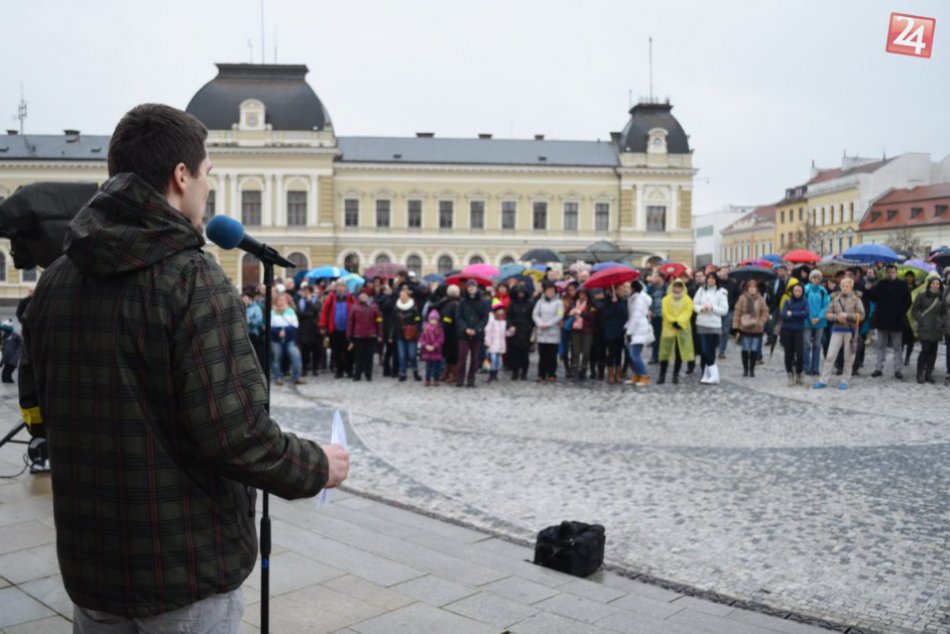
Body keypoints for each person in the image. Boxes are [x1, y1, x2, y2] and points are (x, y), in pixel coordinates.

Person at [17, 103, 348, 631]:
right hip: (184, 572)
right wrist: (318, 467)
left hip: (90, 568)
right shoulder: (192, 279)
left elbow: (40, 409)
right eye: (207, 173)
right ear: (180, 177)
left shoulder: (56, 279)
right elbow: (236, 436)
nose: (208, 189)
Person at [814, 277, 865, 389]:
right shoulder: (835, 299)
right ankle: (823, 380)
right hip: (837, 329)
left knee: (848, 357)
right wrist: (837, 317)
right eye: (843, 286)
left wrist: (848, 316)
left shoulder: (856, 300)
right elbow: (827, 314)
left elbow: (861, 315)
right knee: (830, 355)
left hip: (850, 331)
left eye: (847, 286)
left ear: (851, 287)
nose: (845, 288)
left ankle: (845, 380)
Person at [866, 264, 912, 380]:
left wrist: (900, 313)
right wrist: (869, 290)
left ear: (896, 273)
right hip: (882, 319)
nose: (890, 274)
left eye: (892, 272)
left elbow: (908, 302)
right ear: (886, 273)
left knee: (897, 346)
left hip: (897, 320)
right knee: (881, 345)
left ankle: (898, 369)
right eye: (889, 272)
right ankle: (878, 368)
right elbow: (874, 298)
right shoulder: (881, 284)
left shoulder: (902, 285)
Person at [692, 271, 728, 385]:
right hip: (702, 323)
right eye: (709, 278)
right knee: (703, 350)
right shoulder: (701, 290)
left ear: (716, 280)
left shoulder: (721, 292)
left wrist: (713, 308)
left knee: (710, 350)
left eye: (713, 278)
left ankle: (713, 374)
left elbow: (724, 310)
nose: (710, 280)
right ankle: (707, 374)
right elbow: (694, 304)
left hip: (714, 324)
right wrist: (701, 308)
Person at [658, 279, 694, 385]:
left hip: (682, 329)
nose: (677, 288)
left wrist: (679, 322)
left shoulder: (687, 299)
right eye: (675, 286)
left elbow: (688, 312)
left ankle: (675, 375)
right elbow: (665, 312)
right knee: (665, 352)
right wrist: (673, 321)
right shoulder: (666, 299)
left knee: (679, 353)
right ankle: (662, 375)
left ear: (683, 288)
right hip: (668, 328)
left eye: (679, 286)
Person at [731, 279, 769, 378]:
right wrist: (736, 326)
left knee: (754, 349)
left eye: (754, 287)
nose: (752, 289)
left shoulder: (760, 299)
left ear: (757, 289)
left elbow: (765, 312)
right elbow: (737, 312)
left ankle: (752, 369)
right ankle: (745, 369)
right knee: (745, 349)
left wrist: (761, 322)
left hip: (756, 328)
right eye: (750, 287)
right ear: (747, 288)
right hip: (744, 328)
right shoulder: (742, 298)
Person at [911, 274, 944, 384]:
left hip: (936, 328)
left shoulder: (941, 297)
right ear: (929, 284)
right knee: (925, 350)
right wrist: (921, 320)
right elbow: (914, 311)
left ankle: (928, 373)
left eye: (937, 284)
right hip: (925, 327)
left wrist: (941, 322)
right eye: (933, 283)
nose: (935, 285)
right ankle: (919, 373)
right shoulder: (921, 296)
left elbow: (944, 313)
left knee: (933, 352)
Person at [456, 280, 489, 387]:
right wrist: (465, 328)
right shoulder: (462, 302)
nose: (471, 288)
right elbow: (459, 317)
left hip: (477, 334)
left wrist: (476, 329)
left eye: (473, 286)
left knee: (475, 358)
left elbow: (485, 318)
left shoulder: (483, 302)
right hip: (464, 334)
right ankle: (460, 379)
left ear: (476, 288)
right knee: (462, 357)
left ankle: (471, 379)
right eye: (469, 286)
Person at [320, 281, 355, 378]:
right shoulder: (331, 298)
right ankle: (339, 371)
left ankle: (349, 370)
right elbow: (324, 313)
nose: (340, 289)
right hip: (335, 329)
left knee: (349, 351)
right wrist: (322, 326)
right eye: (338, 287)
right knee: (337, 351)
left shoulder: (351, 298)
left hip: (348, 330)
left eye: (342, 286)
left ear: (346, 288)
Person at [346, 289, 383, 381]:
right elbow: (350, 321)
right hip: (358, 335)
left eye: (365, 295)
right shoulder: (354, 307)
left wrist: (380, 334)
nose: (363, 297)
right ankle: (357, 375)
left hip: (371, 335)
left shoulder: (374, 306)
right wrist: (349, 334)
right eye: (362, 295)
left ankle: (368, 374)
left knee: (369, 356)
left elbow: (379, 320)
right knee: (358, 356)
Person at [624, 280, 654, 386]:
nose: (625, 289)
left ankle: (644, 376)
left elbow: (636, 317)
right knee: (632, 355)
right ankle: (637, 375)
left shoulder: (638, 300)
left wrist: (629, 331)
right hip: (634, 328)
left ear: (633, 288)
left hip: (638, 329)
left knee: (634, 354)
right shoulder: (633, 298)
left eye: (627, 287)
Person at [271, 293, 305, 386]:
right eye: (279, 300)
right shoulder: (272, 312)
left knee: (295, 357)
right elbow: (269, 326)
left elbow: (295, 325)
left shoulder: (290, 311)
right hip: (276, 338)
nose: (281, 302)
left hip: (289, 337)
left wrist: (285, 331)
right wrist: (278, 332)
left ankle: (297, 376)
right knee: (277, 358)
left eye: (283, 300)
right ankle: (278, 377)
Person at [533, 280, 564, 382]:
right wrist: (540, 323)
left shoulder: (559, 302)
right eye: (548, 290)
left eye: (552, 290)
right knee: (542, 355)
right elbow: (535, 314)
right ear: (544, 291)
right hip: (542, 331)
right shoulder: (540, 302)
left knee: (552, 355)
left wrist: (549, 324)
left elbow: (559, 315)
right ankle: (541, 373)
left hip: (553, 331)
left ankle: (552, 373)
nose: (550, 292)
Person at [780, 279, 808, 386]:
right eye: (795, 291)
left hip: (799, 331)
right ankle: (790, 374)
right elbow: (784, 315)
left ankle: (799, 373)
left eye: (799, 291)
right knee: (788, 354)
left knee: (800, 354)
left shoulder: (805, 302)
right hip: (787, 330)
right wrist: (798, 314)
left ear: (802, 292)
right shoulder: (787, 301)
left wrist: (792, 313)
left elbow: (806, 313)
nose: (797, 293)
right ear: (792, 291)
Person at [802, 270, 829, 376]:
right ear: (810, 278)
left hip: (820, 321)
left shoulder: (823, 291)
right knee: (806, 345)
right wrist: (810, 317)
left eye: (818, 278)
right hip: (807, 320)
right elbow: (803, 304)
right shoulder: (806, 289)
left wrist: (819, 317)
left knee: (817, 345)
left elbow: (826, 306)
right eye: (814, 277)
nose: (816, 280)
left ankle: (815, 367)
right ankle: (806, 367)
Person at [393, 286, 422, 382]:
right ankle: (402, 373)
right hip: (399, 334)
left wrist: (416, 328)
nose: (402, 297)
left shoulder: (413, 306)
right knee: (402, 356)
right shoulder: (396, 306)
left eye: (404, 295)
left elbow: (418, 319)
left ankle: (415, 371)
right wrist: (391, 334)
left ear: (408, 296)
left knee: (412, 355)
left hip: (411, 334)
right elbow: (393, 321)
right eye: (401, 295)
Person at [601, 286, 629, 384]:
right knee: (611, 353)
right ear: (614, 290)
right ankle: (610, 374)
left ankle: (618, 374)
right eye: (620, 289)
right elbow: (606, 314)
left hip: (620, 330)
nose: (622, 290)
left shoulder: (621, 300)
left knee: (618, 353)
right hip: (610, 331)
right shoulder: (607, 300)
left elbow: (624, 314)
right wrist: (613, 304)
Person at [506, 284, 534, 380]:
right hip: (515, 330)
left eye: (522, 292)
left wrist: (530, 327)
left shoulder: (530, 303)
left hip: (526, 330)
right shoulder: (512, 303)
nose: (520, 294)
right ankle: (515, 372)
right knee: (514, 354)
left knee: (525, 354)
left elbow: (532, 317)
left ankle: (524, 373)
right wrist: (510, 325)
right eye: (519, 292)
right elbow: (508, 316)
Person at [568, 288, 595, 380]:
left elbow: (591, 316)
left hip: (587, 330)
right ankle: (575, 370)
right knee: (575, 351)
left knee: (586, 352)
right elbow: (566, 314)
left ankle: (583, 369)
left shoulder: (591, 304)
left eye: (584, 294)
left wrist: (581, 312)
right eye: (580, 294)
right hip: (575, 330)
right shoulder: (573, 303)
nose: (582, 296)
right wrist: (570, 313)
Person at [296, 284, 321, 377]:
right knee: (305, 350)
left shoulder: (316, 300)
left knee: (316, 349)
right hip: (304, 329)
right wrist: (310, 314)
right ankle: (304, 369)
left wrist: (309, 302)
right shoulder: (300, 301)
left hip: (314, 328)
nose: (306, 293)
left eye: (308, 292)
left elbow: (317, 310)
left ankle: (315, 368)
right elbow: (299, 313)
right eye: (304, 291)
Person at [440, 284, 461, 383]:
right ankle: (447, 372)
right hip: (456, 332)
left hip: (450, 333)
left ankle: (455, 375)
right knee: (450, 354)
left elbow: (447, 319)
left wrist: (443, 327)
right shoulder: (458, 303)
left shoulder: (451, 304)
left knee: (451, 354)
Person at [717, 267, 740, 359]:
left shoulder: (733, 284)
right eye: (721, 272)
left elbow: (738, 295)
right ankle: (717, 345)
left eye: (725, 272)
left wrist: (732, 304)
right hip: (717, 310)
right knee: (717, 329)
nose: (723, 274)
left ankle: (722, 350)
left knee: (725, 330)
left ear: (728, 274)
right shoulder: (717, 283)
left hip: (729, 310)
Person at [419, 309, 445, 386]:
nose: (433, 321)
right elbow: (422, 338)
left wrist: (434, 346)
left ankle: (436, 379)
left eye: (435, 320)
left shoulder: (439, 329)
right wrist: (425, 345)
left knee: (437, 367)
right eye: (432, 319)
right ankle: (427, 379)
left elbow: (441, 339)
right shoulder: (426, 328)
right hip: (427, 351)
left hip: (436, 351)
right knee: (428, 367)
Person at [484, 300, 508, 382]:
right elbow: (488, 331)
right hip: (492, 343)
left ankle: (495, 373)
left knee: (497, 360)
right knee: (493, 359)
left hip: (500, 344)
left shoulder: (503, 320)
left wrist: (509, 333)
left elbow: (503, 333)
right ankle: (491, 373)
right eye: (499, 310)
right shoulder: (491, 320)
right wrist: (487, 342)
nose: (501, 311)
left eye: (502, 310)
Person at [242, 288, 265, 366]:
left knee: (255, 352)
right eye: (243, 299)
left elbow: (258, 321)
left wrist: (249, 321)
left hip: (253, 333)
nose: (244, 301)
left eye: (246, 299)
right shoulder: (240, 307)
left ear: (250, 299)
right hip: (243, 334)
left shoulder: (256, 308)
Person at [647, 272, 666, 364]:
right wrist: (649, 310)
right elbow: (648, 300)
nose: (653, 278)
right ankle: (654, 356)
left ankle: (663, 356)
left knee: (664, 337)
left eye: (655, 276)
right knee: (655, 337)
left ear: (661, 277)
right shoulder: (652, 288)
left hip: (665, 316)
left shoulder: (667, 287)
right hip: (654, 315)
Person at [902, 270, 919, 367]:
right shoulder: (901, 287)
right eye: (907, 276)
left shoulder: (917, 288)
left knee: (911, 339)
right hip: (903, 315)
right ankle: (900, 356)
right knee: (901, 338)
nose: (909, 278)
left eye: (911, 276)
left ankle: (907, 357)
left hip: (912, 316)